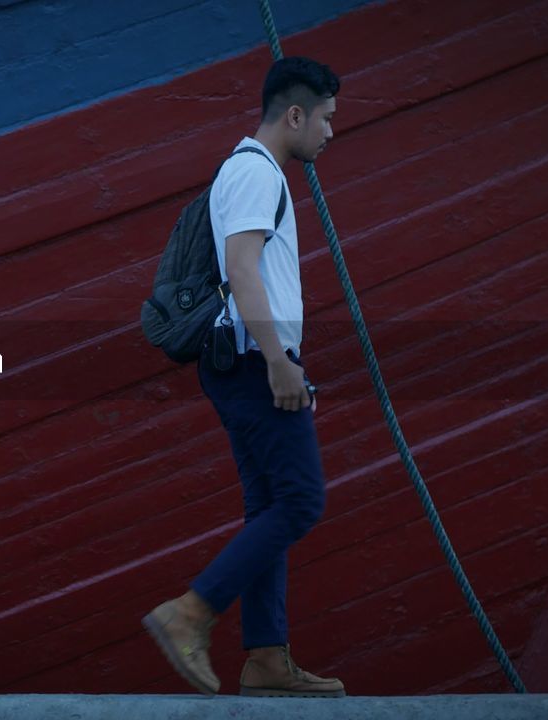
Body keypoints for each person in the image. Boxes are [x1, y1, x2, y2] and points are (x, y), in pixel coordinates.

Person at [141, 56, 345, 698]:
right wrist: (281, 362)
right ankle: (191, 613)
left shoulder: (242, 171)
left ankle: (265, 659)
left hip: (241, 362)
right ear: (294, 114)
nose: (330, 133)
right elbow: (243, 269)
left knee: (269, 506)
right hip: (257, 362)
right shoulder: (257, 174)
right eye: (326, 119)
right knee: (302, 501)